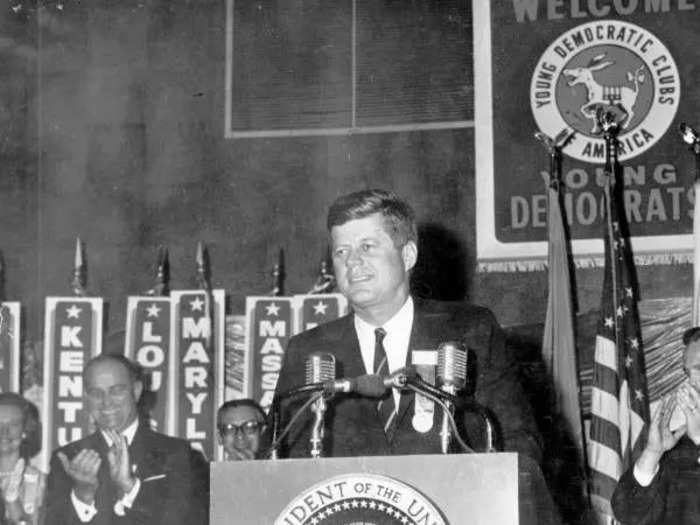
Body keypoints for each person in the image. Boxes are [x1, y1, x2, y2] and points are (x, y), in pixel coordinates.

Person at [273, 189, 542, 460]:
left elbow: (518, 444)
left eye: (367, 246)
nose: (352, 261)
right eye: (341, 251)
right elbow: (275, 459)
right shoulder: (307, 350)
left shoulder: (471, 331)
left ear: (408, 255)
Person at [45, 354, 207, 525]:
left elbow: (190, 519)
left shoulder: (178, 453)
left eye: (116, 391)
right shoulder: (67, 458)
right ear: (86, 397)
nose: (107, 402)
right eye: (96, 393)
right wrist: (83, 495)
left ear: (136, 391)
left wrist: (131, 488)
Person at [612, 326, 700, 524]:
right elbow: (627, 514)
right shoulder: (679, 444)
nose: (692, 381)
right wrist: (652, 453)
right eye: (688, 371)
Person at [0, 393, 45, 525]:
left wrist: (12, 502)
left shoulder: (40, 483)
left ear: (25, 429)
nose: (4, 432)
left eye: (13, 424)